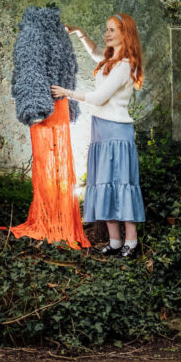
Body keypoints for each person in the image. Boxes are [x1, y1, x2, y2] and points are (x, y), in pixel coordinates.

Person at [50, 14, 145, 259]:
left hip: (117, 130)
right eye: (106, 30)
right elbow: (95, 53)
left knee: (122, 184)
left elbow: (99, 98)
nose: (107, 34)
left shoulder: (125, 66)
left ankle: (131, 243)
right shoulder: (111, 60)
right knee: (105, 184)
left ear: (126, 34)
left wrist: (67, 93)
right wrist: (80, 31)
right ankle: (115, 241)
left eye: (112, 30)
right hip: (101, 129)